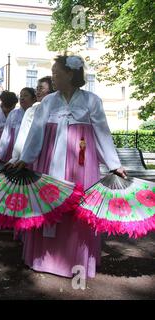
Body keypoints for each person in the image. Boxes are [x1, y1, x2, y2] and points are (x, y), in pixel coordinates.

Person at [13, 55, 126, 278]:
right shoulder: (48, 102)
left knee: (78, 208)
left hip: (81, 164)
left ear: (71, 74)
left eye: (56, 73)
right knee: (48, 200)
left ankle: (74, 259)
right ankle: (45, 257)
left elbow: (102, 133)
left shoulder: (92, 101)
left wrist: (115, 164)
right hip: (50, 160)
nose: (53, 77)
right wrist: (25, 158)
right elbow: (36, 132)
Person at [8, 77, 55, 164]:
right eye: (37, 89)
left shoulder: (58, 110)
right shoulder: (31, 111)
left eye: (41, 88)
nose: (37, 92)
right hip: (33, 157)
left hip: (52, 155)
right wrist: (15, 158)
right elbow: (23, 136)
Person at [0, 87, 36, 163]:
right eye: (21, 96)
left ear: (34, 99)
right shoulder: (13, 114)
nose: (22, 98)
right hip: (12, 151)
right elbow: (5, 135)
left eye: (25, 95)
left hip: (29, 152)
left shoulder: (37, 114)